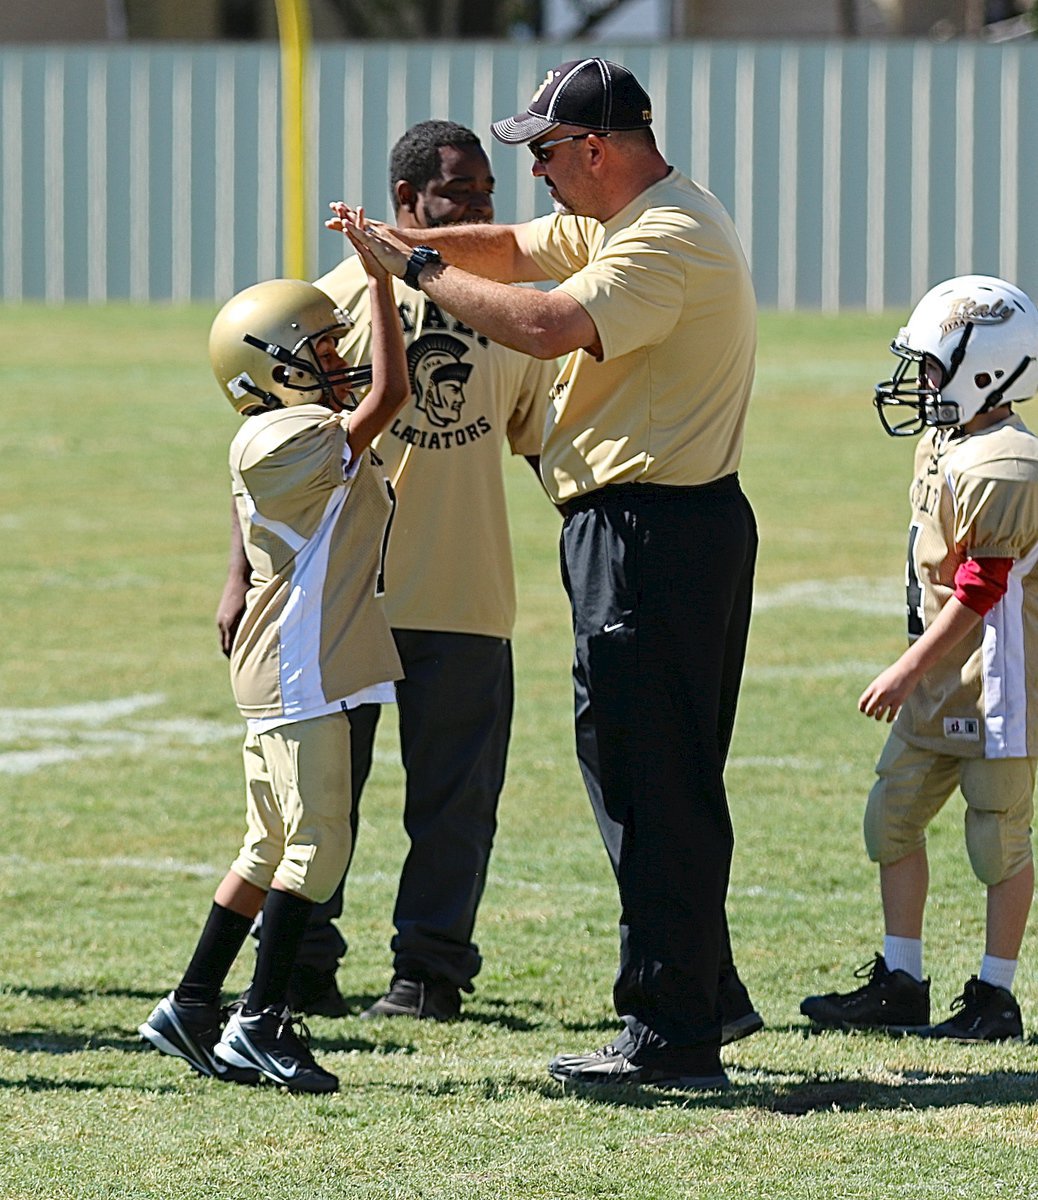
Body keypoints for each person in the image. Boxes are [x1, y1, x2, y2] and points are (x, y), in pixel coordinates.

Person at [331, 57, 759, 1090]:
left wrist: (416, 272)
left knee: (648, 779)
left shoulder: (665, 237)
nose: (535, 175)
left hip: (652, 534)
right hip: (647, 531)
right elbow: (517, 249)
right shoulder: (626, 216)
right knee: (648, 773)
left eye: (546, 153)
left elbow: (546, 319)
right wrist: (395, 244)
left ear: (598, 151)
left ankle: (671, 1033)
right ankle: (706, 994)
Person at [218, 121, 556, 1021]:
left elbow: (540, 445)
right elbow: (266, 454)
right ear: (407, 203)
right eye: (461, 195)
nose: (483, 210)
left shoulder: (504, 308)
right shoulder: (326, 305)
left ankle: (429, 975)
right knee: (323, 798)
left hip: (468, 592)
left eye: (488, 194)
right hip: (344, 601)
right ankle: (304, 966)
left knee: (455, 803)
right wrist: (237, 575)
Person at [140, 237, 410, 1091]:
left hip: (298, 656)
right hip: (299, 662)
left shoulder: (282, 430)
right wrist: (378, 278)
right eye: (320, 352)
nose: (338, 363)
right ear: (266, 374)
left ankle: (190, 1006)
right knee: (319, 845)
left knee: (267, 845)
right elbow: (395, 397)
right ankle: (261, 1022)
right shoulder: (278, 438)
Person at [801, 275, 1038, 1042]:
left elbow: (981, 588)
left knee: (995, 838)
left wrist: (906, 670)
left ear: (985, 369)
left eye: (933, 367)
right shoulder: (948, 439)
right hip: (943, 680)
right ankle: (901, 982)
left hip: (1000, 683)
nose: (921, 384)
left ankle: (995, 996)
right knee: (891, 820)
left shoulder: (1007, 461)